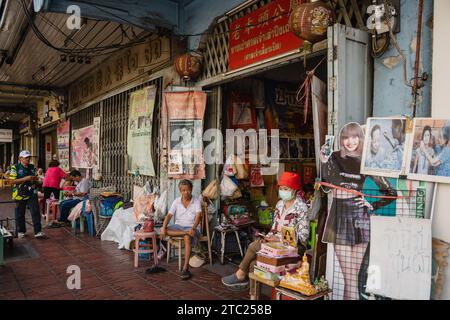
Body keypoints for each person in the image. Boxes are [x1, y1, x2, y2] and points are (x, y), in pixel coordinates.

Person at [320, 123, 395, 300]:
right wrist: (323, 161)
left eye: (355, 137)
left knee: (350, 280)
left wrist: (372, 204)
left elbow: (391, 192)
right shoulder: (335, 157)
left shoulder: (367, 161)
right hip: (339, 216)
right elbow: (325, 186)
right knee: (350, 279)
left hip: (360, 218)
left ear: (360, 138)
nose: (350, 141)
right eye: (346, 137)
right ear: (341, 139)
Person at [221, 172, 310, 289]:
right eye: (281, 188)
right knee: (253, 263)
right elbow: (274, 228)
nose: (283, 191)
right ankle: (252, 292)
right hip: (276, 243)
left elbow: (303, 237)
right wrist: (267, 238)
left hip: (294, 247)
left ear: (294, 189)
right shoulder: (279, 205)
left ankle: (240, 275)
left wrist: (278, 239)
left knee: (253, 246)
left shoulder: (302, 208)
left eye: (286, 188)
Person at [160, 180, 202, 280]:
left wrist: (193, 228)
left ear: (191, 190)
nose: (186, 192)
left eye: (188, 190)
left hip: (192, 227)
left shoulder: (196, 201)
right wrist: (163, 227)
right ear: (180, 191)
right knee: (164, 229)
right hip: (179, 226)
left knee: (187, 238)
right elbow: (169, 215)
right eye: (183, 190)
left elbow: (198, 216)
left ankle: (185, 267)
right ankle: (184, 232)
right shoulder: (177, 201)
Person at [9, 150, 46, 239]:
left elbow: (34, 179)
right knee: (20, 213)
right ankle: (21, 231)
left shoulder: (32, 167)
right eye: (26, 158)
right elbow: (12, 181)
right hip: (19, 193)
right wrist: (25, 178)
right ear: (20, 158)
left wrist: (36, 179)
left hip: (31, 192)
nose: (28, 159)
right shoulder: (15, 167)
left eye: (29, 157)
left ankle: (38, 231)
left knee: (35, 212)